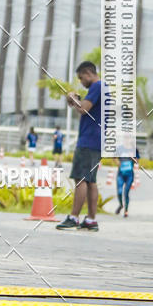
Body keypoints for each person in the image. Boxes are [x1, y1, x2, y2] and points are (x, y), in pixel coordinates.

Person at [56, 61, 104, 232]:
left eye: (81, 78)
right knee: (91, 181)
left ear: (88, 73)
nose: (81, 82)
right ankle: (91, 220)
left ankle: (73, 217)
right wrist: (76, 101)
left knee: (81, 179)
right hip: (98, 142)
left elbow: (84, 109)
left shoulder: (97, 87)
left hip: (88, 141)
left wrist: (73, 99)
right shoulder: (103, 88)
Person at [115, 145, 140, 217]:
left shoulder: (134, 149)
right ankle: (121, 205)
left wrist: (133, 158)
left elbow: (137, 161)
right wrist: (117, 163)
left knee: (126, 192)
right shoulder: (120, 148)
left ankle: (126, 210)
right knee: (119, 192)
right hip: (120, 174)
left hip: (129, 175)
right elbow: (114, 157)